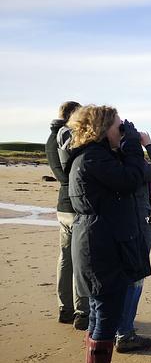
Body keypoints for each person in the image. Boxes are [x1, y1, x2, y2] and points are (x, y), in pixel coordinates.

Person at [66, 105, 151, 363]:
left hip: (99, 242)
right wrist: (133, 145)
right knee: (105, 313)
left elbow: (135, 176)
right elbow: (133, 177)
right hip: (101, 246)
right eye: (118, 126)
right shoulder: (93, 158)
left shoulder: (95, 156)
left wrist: (127, 143)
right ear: (103, 129)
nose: (123, 130)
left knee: (101, 311)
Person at [45, 101, 90, 329]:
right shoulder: (68, 137)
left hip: (62, 206)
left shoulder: (51, 139)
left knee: (65, 258)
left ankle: (65, 308)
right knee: (79, 260)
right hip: (74, 205)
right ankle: (82, 311)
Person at [115, 140, 151, 352]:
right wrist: (148, 145)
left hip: (119, 228)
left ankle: (118, 329)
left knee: (120, 281)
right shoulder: (135, 168)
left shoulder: (108, 162)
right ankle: (124, 332)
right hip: (137, 228)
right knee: (134, 282)